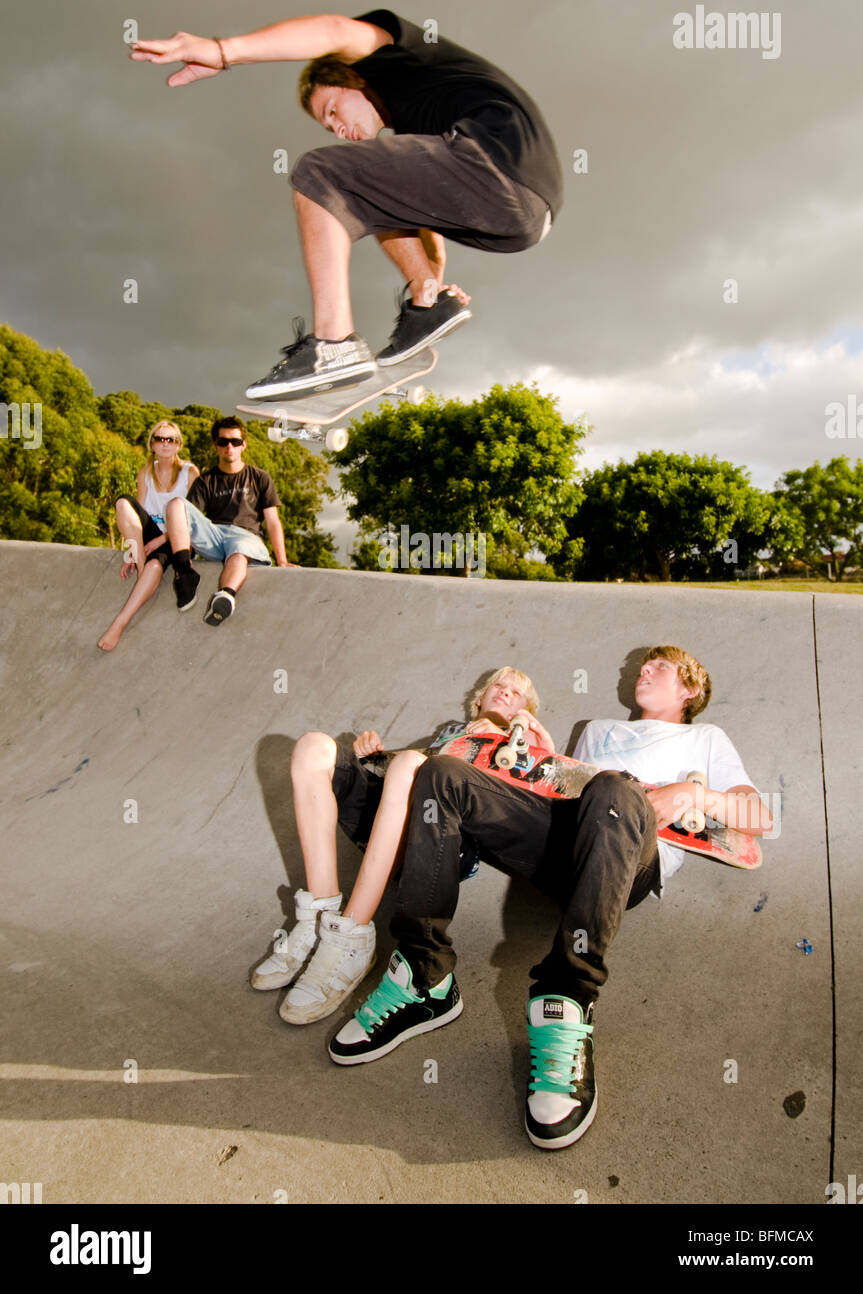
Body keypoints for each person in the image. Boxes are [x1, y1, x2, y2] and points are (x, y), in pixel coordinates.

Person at [329, 645, 773, 1154]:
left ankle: (566, 1000)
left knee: (615, 791)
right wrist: (541, 756)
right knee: (440, 775)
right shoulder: (598, 729)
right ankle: (423, 975)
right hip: (557, 846)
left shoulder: (705, 738)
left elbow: (759, 815)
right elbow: (561, 789)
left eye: (660, 667)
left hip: (628, 860)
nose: (644, 670)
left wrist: (693, 796)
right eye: (643, 664)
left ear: (690, 689)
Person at [130, 10, 563, 396]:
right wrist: (430, 290)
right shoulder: (418, 134)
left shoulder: (393, 59)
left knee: (319, 172)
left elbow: (333, 29)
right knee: (368, 199)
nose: (339, 129)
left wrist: (223, 52)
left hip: (498, 158)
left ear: (353, 78)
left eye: (333, 111)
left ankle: (333, 344)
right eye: (330, 125)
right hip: (524, 213)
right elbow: (428, 235)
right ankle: (424, 308)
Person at [250, 668, 552, 1026]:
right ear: (479, 701)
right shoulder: (452, 731)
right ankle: (317, 917)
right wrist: (374, 759)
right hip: (390, 819)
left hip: (445, 841)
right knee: (313, 746)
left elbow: (540, 801)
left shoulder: (522, 746)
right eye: (498, 686)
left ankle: (351, 937)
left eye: (516, 694)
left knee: (413, 763)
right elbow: (400, 774)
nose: (504, 692)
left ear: (526, 712)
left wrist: (527, 740)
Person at [165, 417, 291, 625]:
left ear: (243, 445)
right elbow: (184, 522)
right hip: (215, 535)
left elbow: (273, 521)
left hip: (246, 537)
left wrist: (282, 560)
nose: (229, 447)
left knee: (239, 550)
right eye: (223, 442)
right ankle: (185, 574)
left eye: (235, 442)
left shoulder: (259, 477)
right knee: (175, 505)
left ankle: (225, 596)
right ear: (216, 446)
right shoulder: (206, 480)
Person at [98, 420, 199, 651]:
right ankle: (143, 572)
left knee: (157, 566)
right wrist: (132, 552)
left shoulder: (189, 472)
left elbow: (193, 515)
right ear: (152, 444)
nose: (165, 444)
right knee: (124, 502)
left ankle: (118, 625)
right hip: (151, 534)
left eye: (170, 439)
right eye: (160, 439)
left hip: (178, 538)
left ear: (178, 445)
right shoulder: (145, 472)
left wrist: (162, 539)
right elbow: (136, 514)